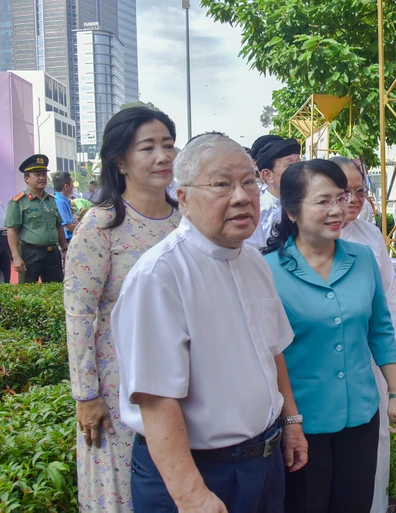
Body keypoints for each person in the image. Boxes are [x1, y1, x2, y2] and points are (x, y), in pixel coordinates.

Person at [113, 132, 308, 512]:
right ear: (183, 198)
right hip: (199, 475)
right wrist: (191, 495)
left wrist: (292, 422)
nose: (241, 196)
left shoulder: (252, 261)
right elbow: (156, 399)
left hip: (262, 465)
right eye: (221, 184)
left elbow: (273, 352)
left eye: (248, 182)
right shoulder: (160, 275)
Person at [262, 159, 396, 513]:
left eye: (341, 199)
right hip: (301, 420)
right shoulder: (267, 270)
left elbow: (381, 330)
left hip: (360, 414)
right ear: (292, 211)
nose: (337, 210)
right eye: (323, 201)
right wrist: (289, 419)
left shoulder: (362, 259)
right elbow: (267, 351)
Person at [63, 107, 182, 512]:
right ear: (119, 161)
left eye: (168, 144)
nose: (163, 156)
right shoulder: (102, 226)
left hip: (182, 374)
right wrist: (86, 394)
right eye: (147, 147)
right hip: (119, 381)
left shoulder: (186, 221)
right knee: (122, 481)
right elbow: (80, 312)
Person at [332, 156, 396, 513]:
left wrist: (394, 370)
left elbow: (390, 302)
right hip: (323, 365)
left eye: (361, 190)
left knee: (374, 441)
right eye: (345, 192)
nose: (355, 199)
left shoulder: (371, 235)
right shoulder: (302, 236)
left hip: (371, 360)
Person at [4, 154, 68, 283]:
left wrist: (65, 249)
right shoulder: (18, 202)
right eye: (37, 175)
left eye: (44, 174)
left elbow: (58, 226)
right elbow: (12, 231)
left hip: (53, 253)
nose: (42, 178)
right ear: (26, 178)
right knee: (27, 293)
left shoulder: (51, 200)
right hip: (30, 253)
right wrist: (16, 257)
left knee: (55, 292)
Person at [245, 135, 301, 249]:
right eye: (290, 165)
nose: (298, 169)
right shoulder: (258, 210)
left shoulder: (308, 203)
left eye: (299, 163)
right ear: (268, 175)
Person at [53, 171, 77, 243]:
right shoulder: (60, 202)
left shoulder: (64, 201)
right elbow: (68, 227)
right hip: (65, 241)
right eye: (72, 184)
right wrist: (84, 228)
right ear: (66, 186)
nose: (73, 186)